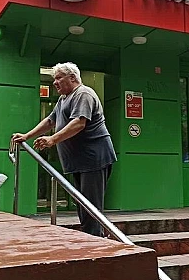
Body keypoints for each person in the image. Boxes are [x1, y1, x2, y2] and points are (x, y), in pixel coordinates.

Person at [12, 62, 116, 237]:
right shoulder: (63, 99)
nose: (55, 82)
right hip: (79, 161)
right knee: (82, 203)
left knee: (90, 204)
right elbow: (50, 121)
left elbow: (79, 123)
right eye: (54, 79)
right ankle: (91, 238)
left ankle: (95, 240)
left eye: (59, 78)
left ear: (73, 78)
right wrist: (27, 136)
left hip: (94, 158)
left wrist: (52, 139)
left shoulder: (83, 94)